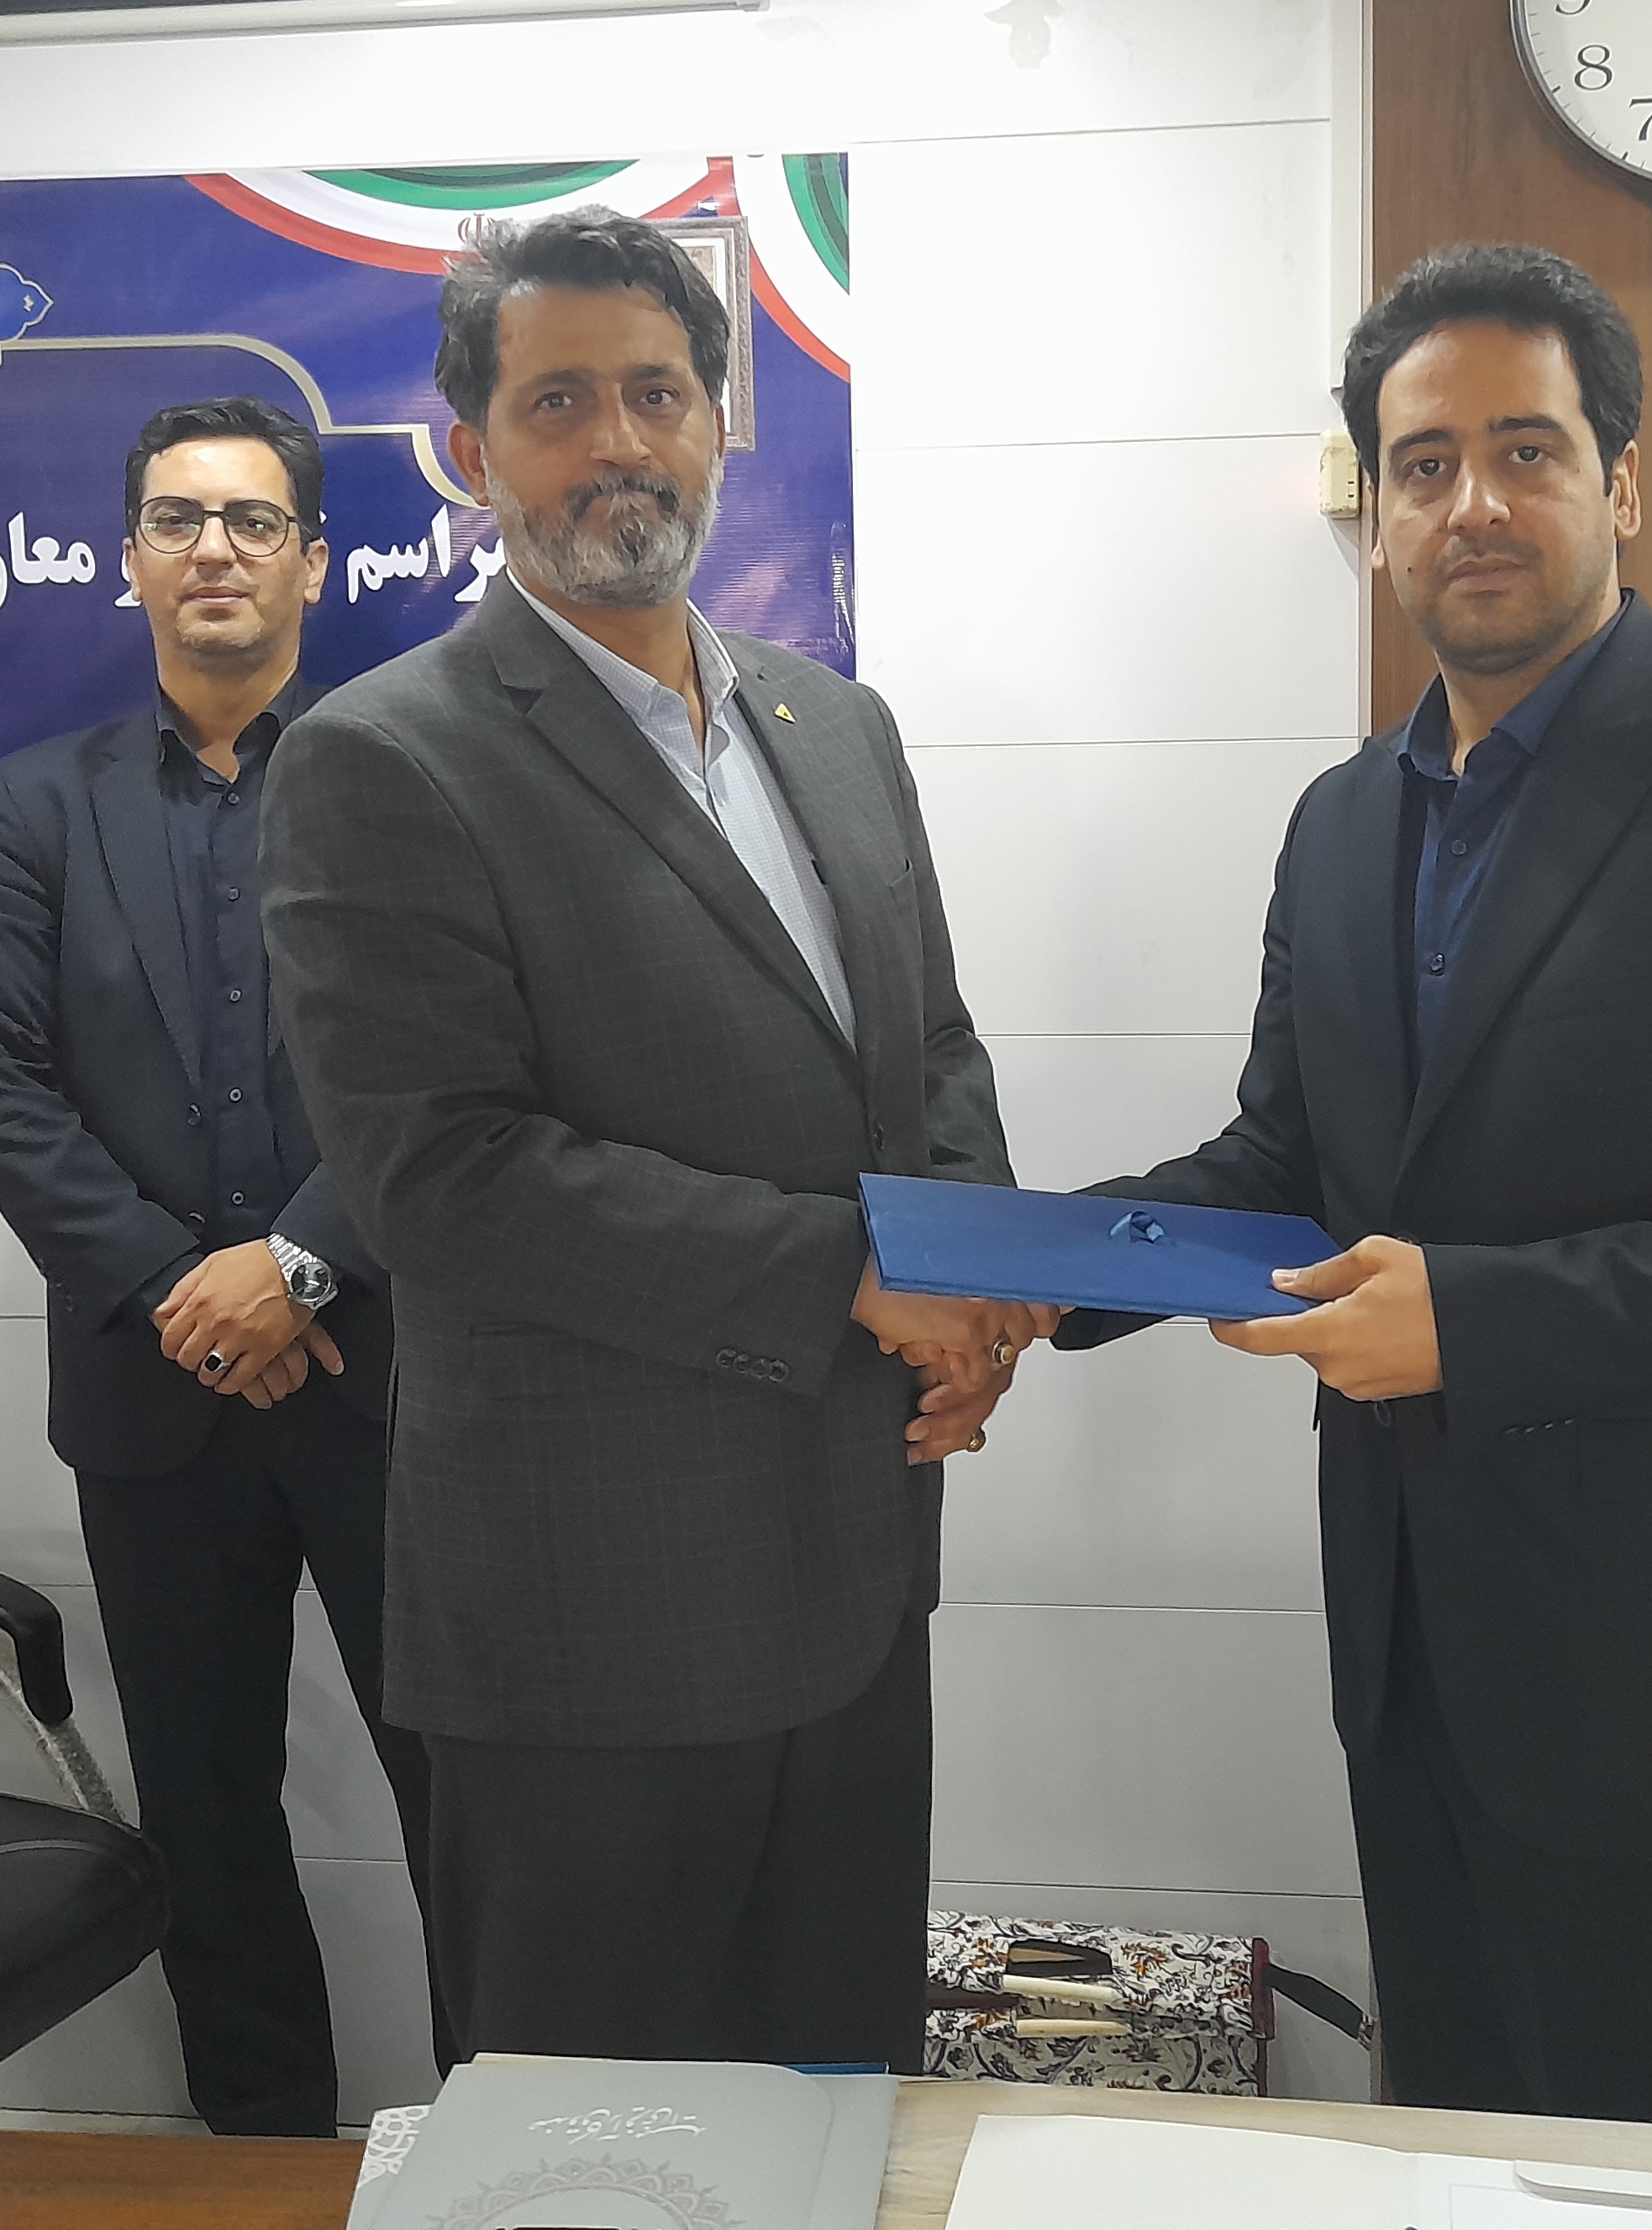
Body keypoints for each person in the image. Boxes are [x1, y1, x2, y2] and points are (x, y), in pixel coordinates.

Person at [1061, 244, 1652, 2127]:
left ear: (1616, 483)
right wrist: (1032, 1274)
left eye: (1523, 450)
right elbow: (1284, 1160)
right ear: (1377, 514)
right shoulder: (1341, 822)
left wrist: (1475, 1322)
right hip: (1412, 1661)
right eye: (1422, 464)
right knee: (1454, 2148)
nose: (1469, 502)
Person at [260, 208, 1050, 2073]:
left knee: (838, 2099)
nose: (618, 441)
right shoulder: (385, 757)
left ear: (714, 424)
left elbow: (927, 1046)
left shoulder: (832, 723)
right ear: (470, 450)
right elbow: (441, 1176)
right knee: (593, 2146)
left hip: (856, 1560)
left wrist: (973, 1284)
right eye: (558, 403)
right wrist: (853, 1278)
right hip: (587, 1616)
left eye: (657, 392)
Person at [0, 394, 450, 2136]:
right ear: (132, 559)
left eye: (251, 520)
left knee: (466, 1806)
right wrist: (194, 1292)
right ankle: (262, 2166)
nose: (213, 548)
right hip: (154, 1402)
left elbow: (462, 1071)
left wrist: (297, 1265)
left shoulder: (413, 777)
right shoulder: (42, 806)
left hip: (391, 1387)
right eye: (178, 519)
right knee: (207, 1827)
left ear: (314, 561)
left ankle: (507, 2154)